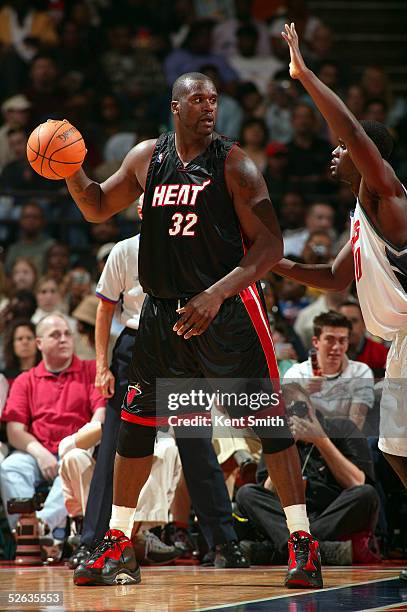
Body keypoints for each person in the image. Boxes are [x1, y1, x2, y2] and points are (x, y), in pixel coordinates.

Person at [57, 71, 323, 588]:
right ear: (175, 107)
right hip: (161, 315)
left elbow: (270, 247)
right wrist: (69, 168)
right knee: (133, 427)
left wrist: (217, 293)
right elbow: (93, 205)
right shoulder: (145, 158)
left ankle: (302, 542)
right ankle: (116, 542)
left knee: (268, 427)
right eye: (197, 99)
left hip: (227, 311)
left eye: (213, 99)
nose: (208, 107)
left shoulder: (235, 164)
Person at [276, 23, 407, 580]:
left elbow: (350, 128)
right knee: (395, 449)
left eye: (342, 149)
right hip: (400, 341)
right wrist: (263, 262)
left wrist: (305, 75)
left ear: (365, 153)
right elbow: (331, 279)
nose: (335, 153)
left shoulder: (387, 192)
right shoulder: (361, 213)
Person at [73, 233, 246, 569]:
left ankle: (224, 543)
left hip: (184, 342)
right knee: (113, 445)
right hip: (135, 345)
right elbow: (105, 307)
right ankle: (92, 541)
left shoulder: (194, 243)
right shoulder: (123, 249)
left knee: (197, 446)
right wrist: (102, 367)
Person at [236, 382, 380, 565]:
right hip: (289, 519)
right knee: (246, 493)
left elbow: (357, 482)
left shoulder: (343, 428)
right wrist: (284, 449)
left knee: (366, 494)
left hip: (332, 512)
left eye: (298, 408)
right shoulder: (276, 439)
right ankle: (319, 550)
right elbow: (267, 491)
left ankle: (282, 550)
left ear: (311, 406)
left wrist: (321, 440)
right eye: (285, 413)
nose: (294, 417)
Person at [0, 313, 105, 559]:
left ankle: (39, 529)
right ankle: (31, 534)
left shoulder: (91, 370)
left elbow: (99, 419)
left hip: (76, 448)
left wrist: (71, 446)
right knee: (11, 466)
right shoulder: (26, 380)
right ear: (39, 344)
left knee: (72, 461)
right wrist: (40, 453)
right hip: (38, 451)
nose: (64, 339)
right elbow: (15, 431)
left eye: (67, 334)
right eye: (55, 335)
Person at [284, 311, 374, 430]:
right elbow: (289, 424)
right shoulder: (296, 373)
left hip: (346, 443)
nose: (336, 347)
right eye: (330, 340)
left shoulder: (361, 372)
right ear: (316, 342)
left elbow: (355, 427)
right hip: (306, 444)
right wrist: (303, 394)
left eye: (342, 340)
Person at [339, 301, 389, 378]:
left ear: (364, 324)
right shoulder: (329, 353)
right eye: (344, 321)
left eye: (354, 321)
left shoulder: (381, 353)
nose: (349, 327)